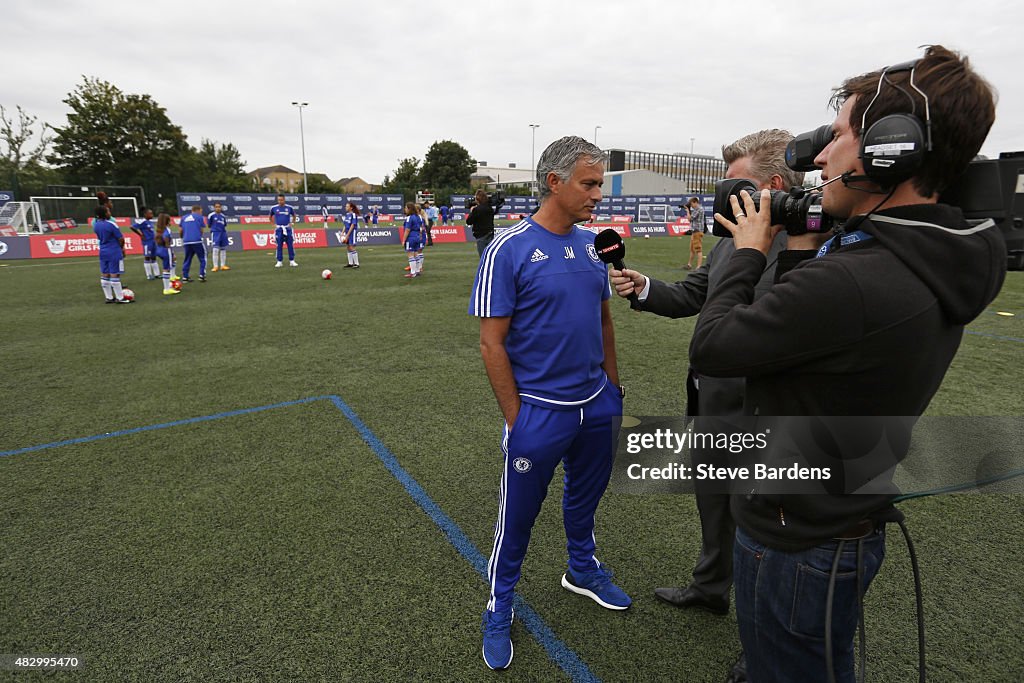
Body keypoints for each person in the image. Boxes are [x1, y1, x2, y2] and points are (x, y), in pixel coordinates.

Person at [687, 46, 1004, 682]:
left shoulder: (861, 277)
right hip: (835, 513)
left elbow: (717, 345)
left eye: (837, 138)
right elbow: (805, 342)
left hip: (797, 536)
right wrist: (803, 248)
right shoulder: (925, 254)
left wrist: (751, 253)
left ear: (892, 152)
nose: (822, 158)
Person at [610, 130, 803, 624]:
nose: (723, 195)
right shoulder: (730, 245)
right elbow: (694, 293)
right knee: (713, 505)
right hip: (713, 405)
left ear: (772, 186)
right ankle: (711, 585)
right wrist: (643, 287)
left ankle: (760, 636)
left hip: (763, 418)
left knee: (760, 528)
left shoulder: (808, 253)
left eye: (733, 184)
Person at [470, 136, 629, 672]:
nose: (597, 195)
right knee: (517, 519)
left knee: (585, 499)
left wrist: (613, 386)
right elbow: (492, 343)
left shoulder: (592, 245)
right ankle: (500, 604)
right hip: (539, 411)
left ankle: (581, 568)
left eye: (599, 184)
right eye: (588, 184)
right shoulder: (507, 249)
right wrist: (517, 417)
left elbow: (604, 320)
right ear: (554, 182)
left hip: (596, 405)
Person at [93, 204, 132, 304]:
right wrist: (122, 248)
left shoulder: (96, 225)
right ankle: (120, 298)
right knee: (115, 274)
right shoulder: (111, 224)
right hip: (114, 251)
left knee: (105, 274)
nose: (110, 213)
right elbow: (121, 238)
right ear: (105, 213)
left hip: (103, 251)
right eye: (108, 211)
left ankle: (109, 297)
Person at [153, 213, 180, 296]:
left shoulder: (159, 229)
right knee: (167, 268)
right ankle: (167, 288)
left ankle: (168, 285)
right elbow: (166, 239)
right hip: (165, 250)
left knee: (167, 267)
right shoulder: (167, 230)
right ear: (167, 221)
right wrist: (171, 252)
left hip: (158, 249)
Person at [179, 204, 207, 283]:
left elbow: (180, 230)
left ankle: (185, 276)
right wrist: (198, 235)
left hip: (187, 241)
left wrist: (182, 239)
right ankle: (202, 275)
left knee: (187, 258)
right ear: (198, 210)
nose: (201, 213)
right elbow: (201, 230)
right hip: (197, 241)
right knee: (202, 258)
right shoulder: (199, 217)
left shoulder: (184, 217)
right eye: (201, 211)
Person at [130, 207, 158, 280]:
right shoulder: (142, 222)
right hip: (147, 242)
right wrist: (140, 234)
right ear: (145, 214)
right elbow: (132, 227)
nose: (152, 215)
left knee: (154, 257)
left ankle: (157, 274)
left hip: (153, 242)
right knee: (147, 257)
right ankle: (149, 275)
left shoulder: (150, 222)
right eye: (150, 213)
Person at [270, 194, 298, 267]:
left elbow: (294, 215)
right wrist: (274, 224)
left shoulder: (289, 208)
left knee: (290, 245)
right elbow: (270, 216)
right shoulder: (274, 208)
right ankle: (279, 261)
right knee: (279, 245)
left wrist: (292, 223)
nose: (280, 201)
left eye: (281, 200)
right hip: (279, 229)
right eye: (279, 200)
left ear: (284, 200)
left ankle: (292, 260)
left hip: (288, 229)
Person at [466, 189, 496, 257]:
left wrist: (472, 211)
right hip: (490, 234)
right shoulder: (489, 208)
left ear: (477, 199)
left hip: (481, 235)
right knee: (490, 257)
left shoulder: (477, 210)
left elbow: (469, 221)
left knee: (483, 258)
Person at [401, 202, 424, 278]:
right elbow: (421, 228)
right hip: (417, 237)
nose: (405, 209)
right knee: (416, 254)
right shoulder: (418, 217)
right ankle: (417, 271)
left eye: (406, 208)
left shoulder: (409, 218)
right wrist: (420, 236)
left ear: (409, 209)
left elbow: (407, 230)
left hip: (411, 237)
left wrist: (403, 240)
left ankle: (413, 272)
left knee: (410, 255)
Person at [684, 197, 706, 270]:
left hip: (697, 231)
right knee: (692, 250)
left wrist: (687, 211)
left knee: (698, 249)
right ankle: (689, 265)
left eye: (691, 204)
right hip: (695, 232)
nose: (691, 205)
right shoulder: (698, 209)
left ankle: (698, 267)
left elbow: (690, 219)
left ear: (695, 202)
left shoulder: (699, 209)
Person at [208, 202, 230, 272]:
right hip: (215, 233)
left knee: (223, 249)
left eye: (219, 207)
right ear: (214, 208)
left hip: (223, 233)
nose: (218, 208)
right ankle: (215, 266)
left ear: (221, 208)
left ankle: (223, 265)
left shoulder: (223, 216)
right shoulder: (211, 215)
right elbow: (209, 225)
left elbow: (225, 225)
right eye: (216, 207)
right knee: (215, 250)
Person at [342, 201, 360, 268]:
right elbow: (345, 224)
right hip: (347, 232)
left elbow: (352, 225)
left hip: (352, 232)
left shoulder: (353, 215)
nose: (345, 207)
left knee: (352, 247)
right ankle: (350, 263)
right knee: (348, 247)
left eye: (347, 206)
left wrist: (347, 235)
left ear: (351, 208)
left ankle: (356, 263)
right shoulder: (347, 215)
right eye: (346, 206)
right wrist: (342, 233)